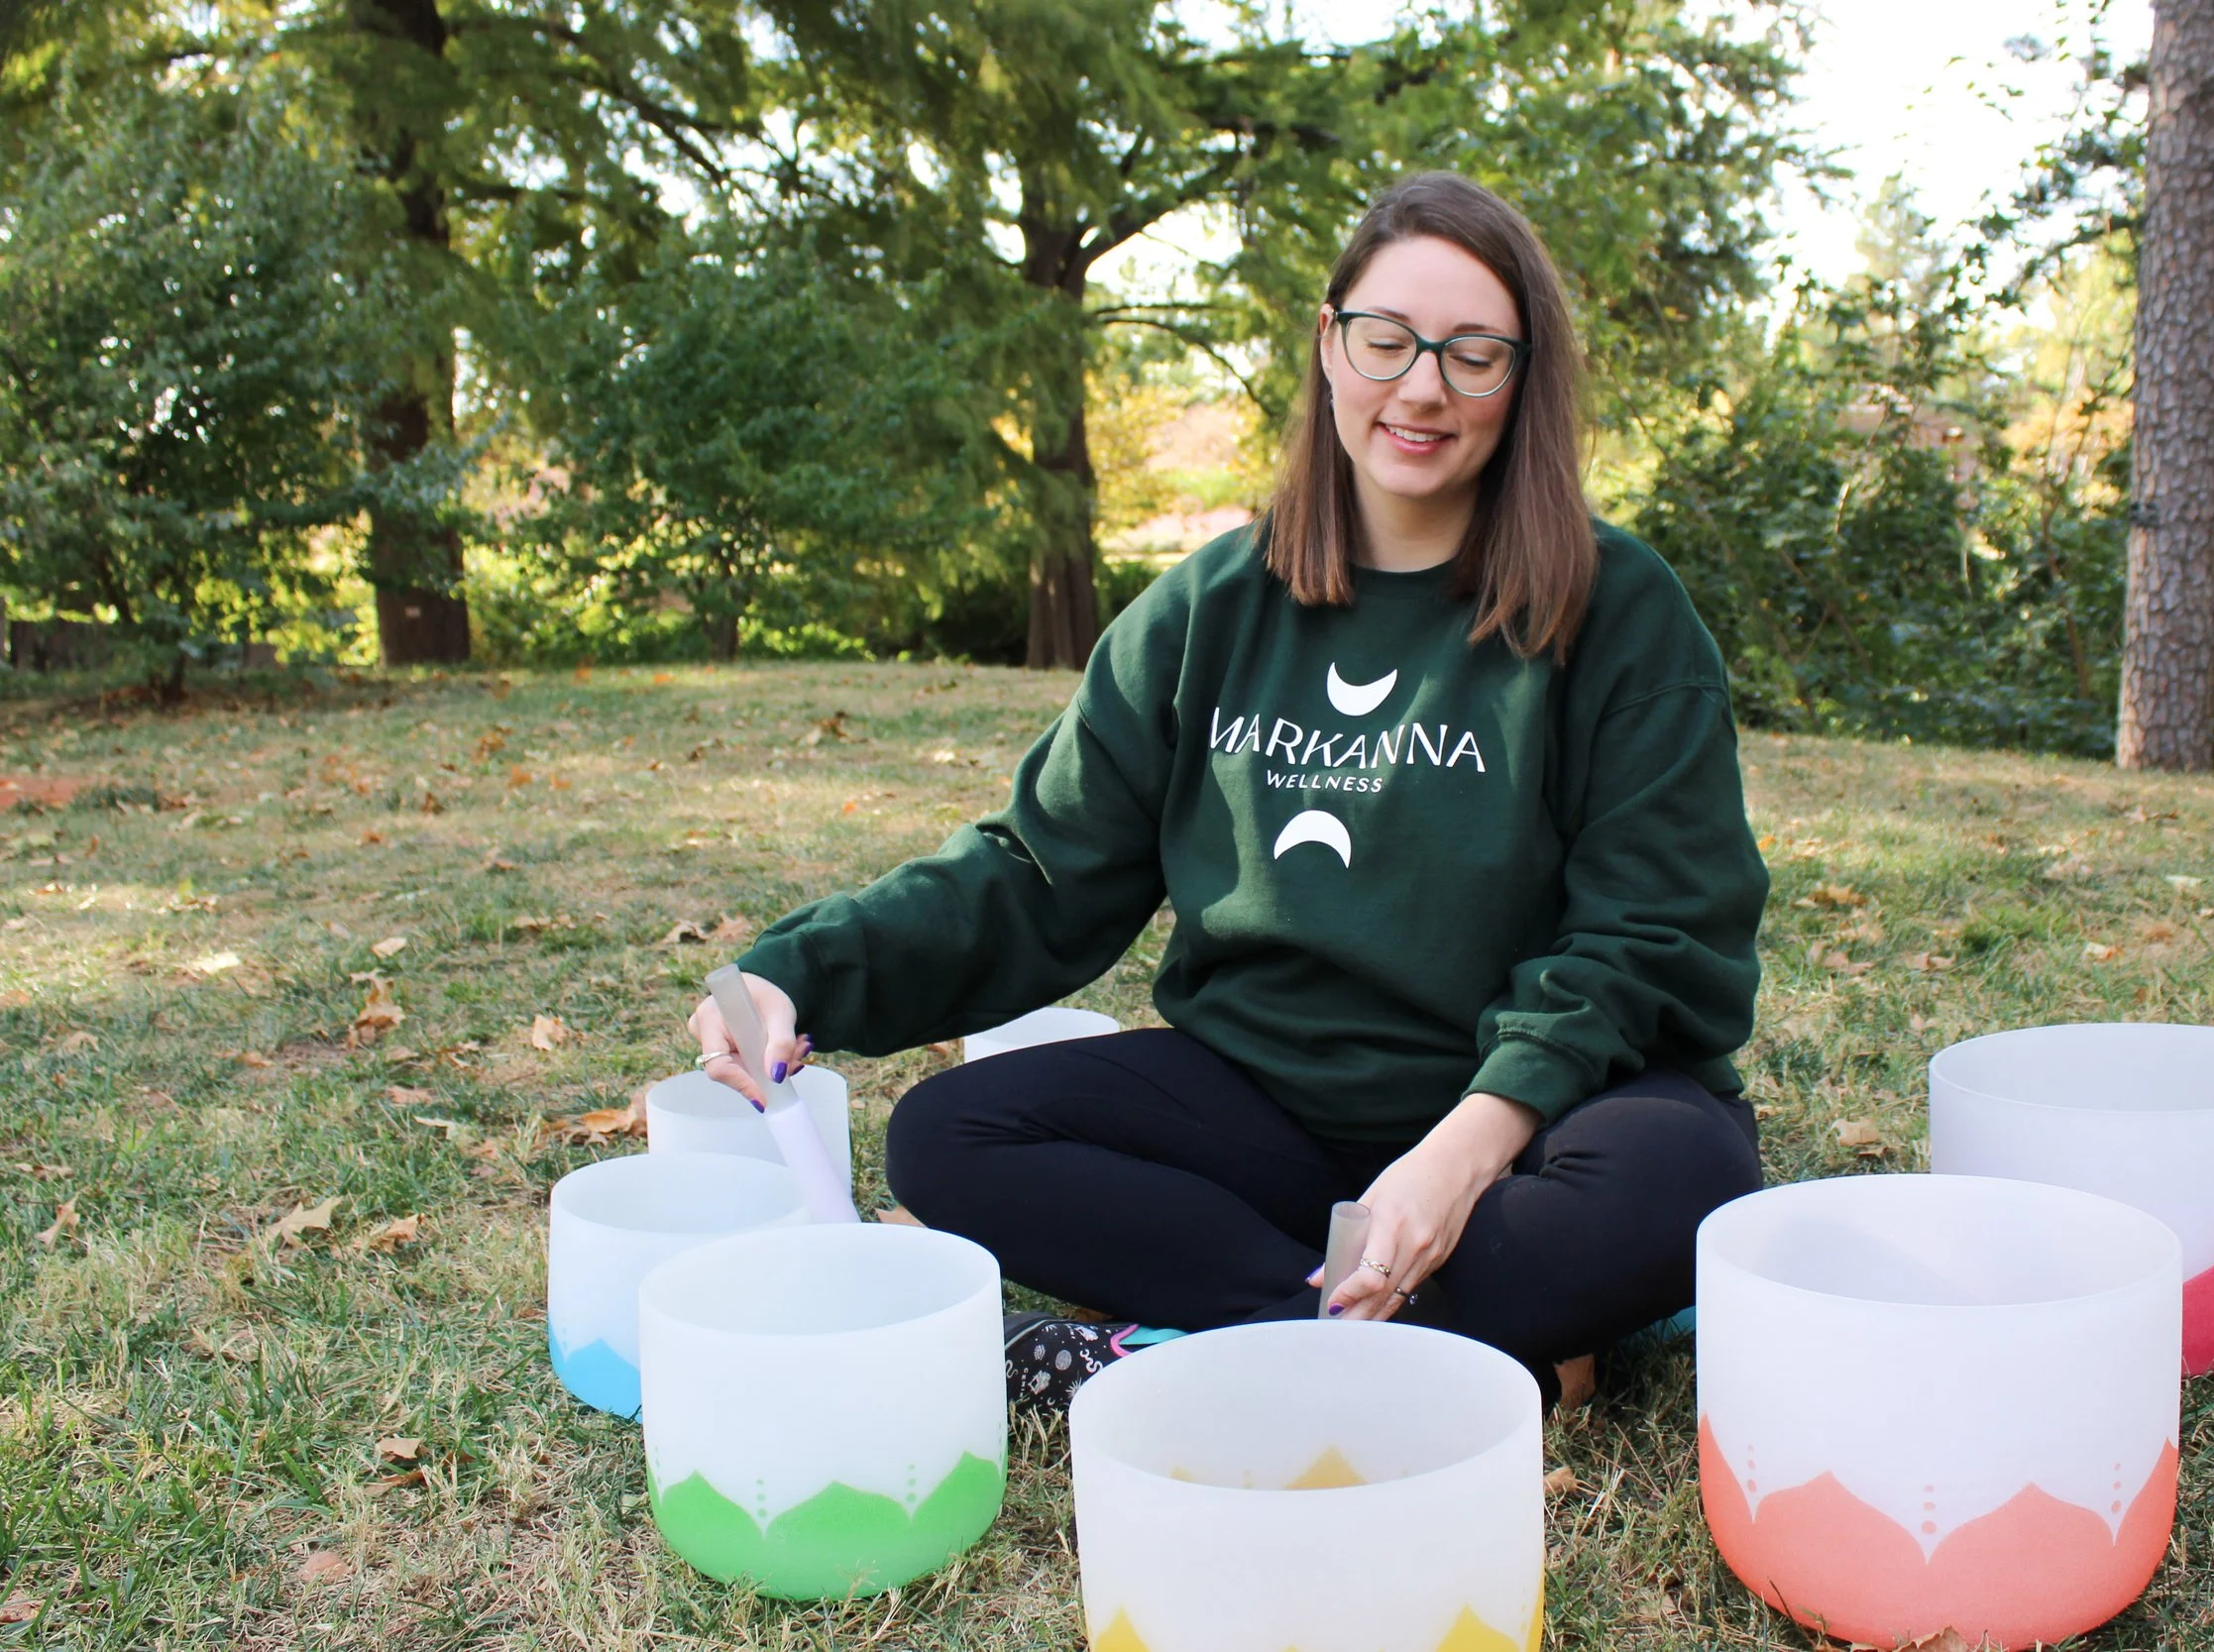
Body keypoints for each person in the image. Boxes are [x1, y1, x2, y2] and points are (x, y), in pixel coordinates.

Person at [691, 171, 1767, 1410]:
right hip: (1268, 1112)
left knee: (1679, 1177)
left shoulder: (1618, 610)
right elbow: (1038, 870)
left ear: (1522, 380)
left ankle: (1228, 1333)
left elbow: (1649, 932)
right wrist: (799, 971)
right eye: (1387, 340)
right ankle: (1411, 1336)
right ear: (1328, 343)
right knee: (947, 1136)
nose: (1422, 387)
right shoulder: (1210, 606)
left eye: (1473, 355)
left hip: (1527, 1121)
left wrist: (1462, 1154)